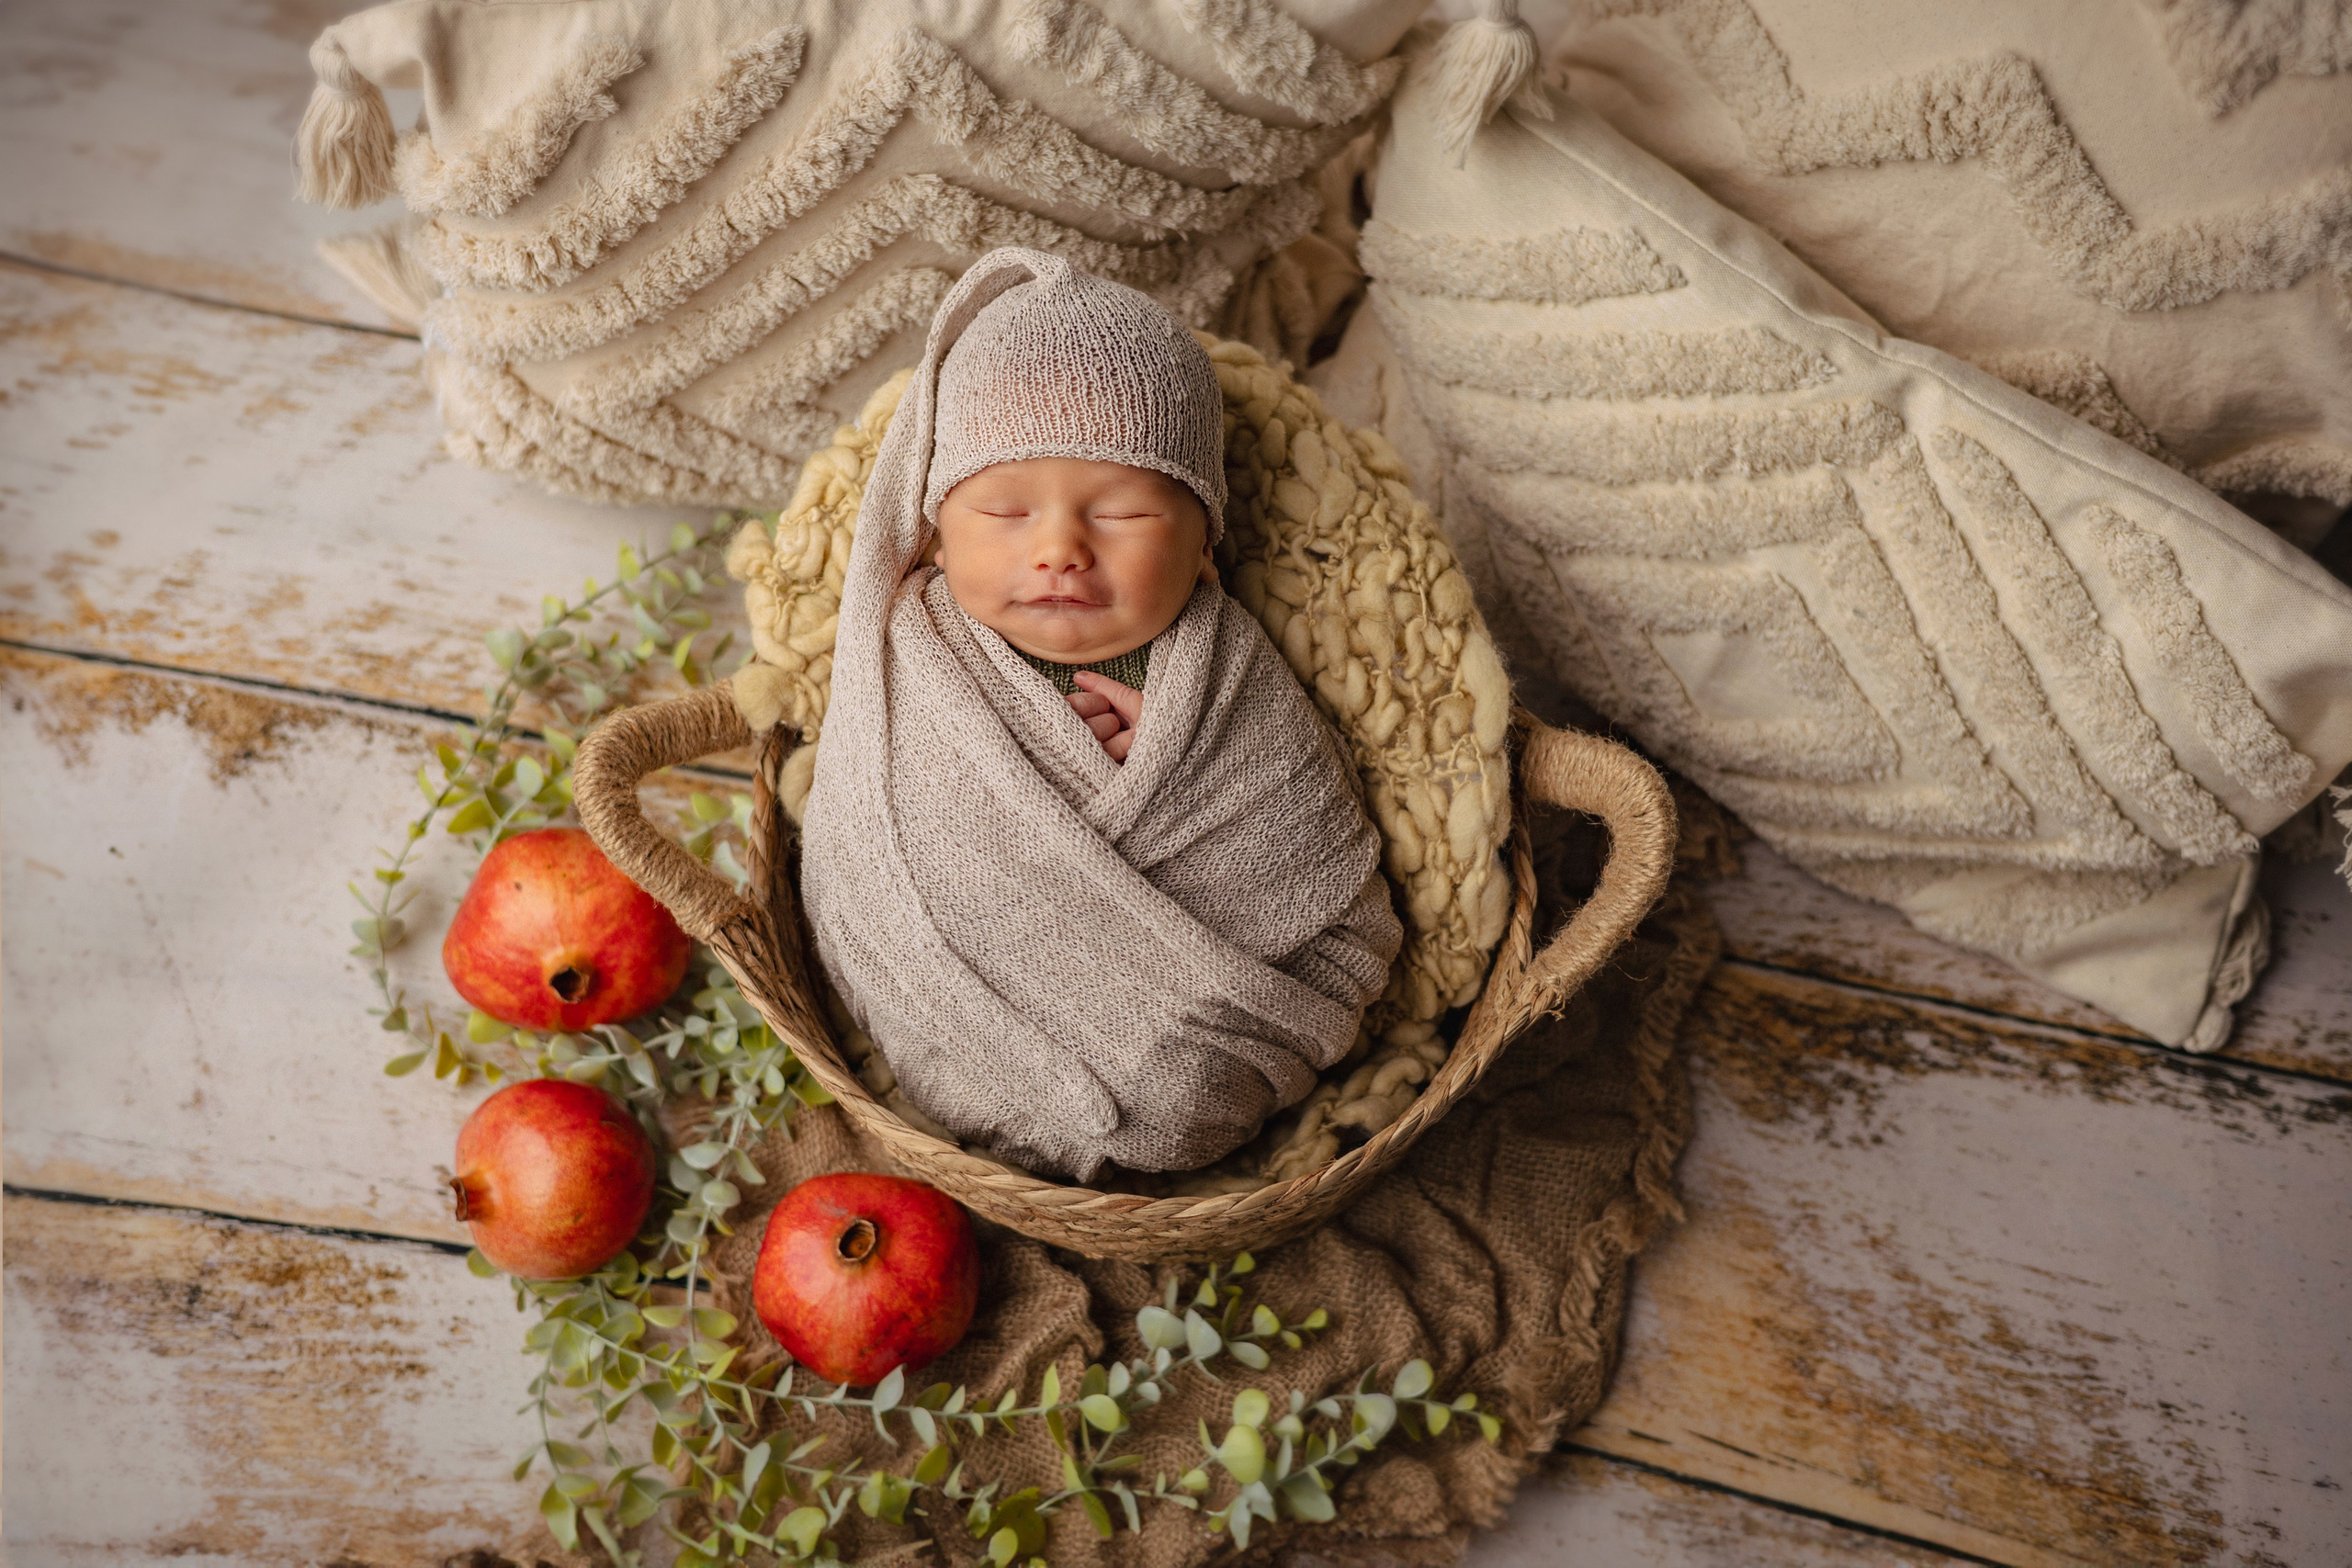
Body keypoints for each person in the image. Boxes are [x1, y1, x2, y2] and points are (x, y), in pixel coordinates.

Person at [799, 247, 1400, 1182]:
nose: (1059, 551)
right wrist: (1051, 780)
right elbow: (867, 841)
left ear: (1205, 542)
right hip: (959, 1034)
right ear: (931, 533)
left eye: (1119, 515)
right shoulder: (908, 659)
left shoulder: (1225, 673)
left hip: (1221, 1052)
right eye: (1002, 510)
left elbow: (1306, 852)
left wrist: (1173, 760)